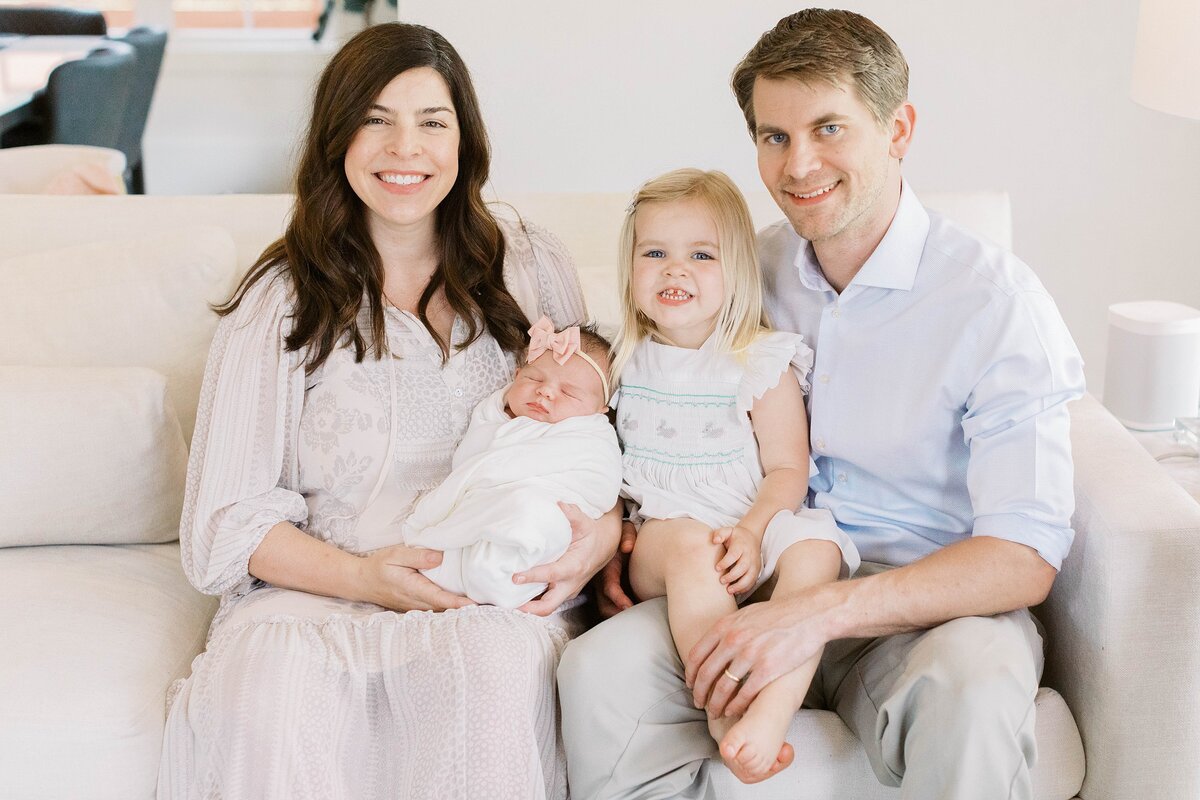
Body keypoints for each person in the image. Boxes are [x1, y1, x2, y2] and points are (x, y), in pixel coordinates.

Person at [557, 9, 1086, 800]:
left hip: (924, 611)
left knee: (973, 689)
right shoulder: (739, 268)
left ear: (897, 128)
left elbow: (1025, 555)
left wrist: (820, 614)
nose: (798, 163)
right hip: (747, 582)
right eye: (774, 136)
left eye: (828, 128)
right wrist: (619, 540)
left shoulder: (995, 305)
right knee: (597, 672)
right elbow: (635, 397)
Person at [157, 23, 620, 800]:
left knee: (489, 674)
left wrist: (601, 536)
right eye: (377, 119)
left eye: (432, 123)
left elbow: (601, 434)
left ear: (464, 142)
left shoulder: (532, 265)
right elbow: (220, 530)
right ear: (337, 137)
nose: (406, 149)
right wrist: (368, 578)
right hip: (316, 596)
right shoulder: (280, 301)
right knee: (272, 690)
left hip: (488, 594)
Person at [609, 167, 859, 784]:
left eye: (701, 254)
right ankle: (725, 709)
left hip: (751, 524)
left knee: (818, 549)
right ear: (631, 266)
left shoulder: (760, 361)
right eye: (655, 252)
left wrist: (752, 533)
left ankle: (770, 715)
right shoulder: (616, 361)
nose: (675, 269)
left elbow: (787, 470)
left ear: (737, 269)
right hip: (667, 537)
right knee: (692, 544)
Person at [400, 318, 622, 608]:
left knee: (531, 512)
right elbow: (469, 459)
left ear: (599, 409)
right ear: (516, 376)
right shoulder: (493, 415)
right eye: (534, 379)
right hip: (486, 507)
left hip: (546, 510)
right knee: (493, 521)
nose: (546, 391)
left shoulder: (589, 436)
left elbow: (600, 484)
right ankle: (461, 570)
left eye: (568, 392)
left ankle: (500, 577)